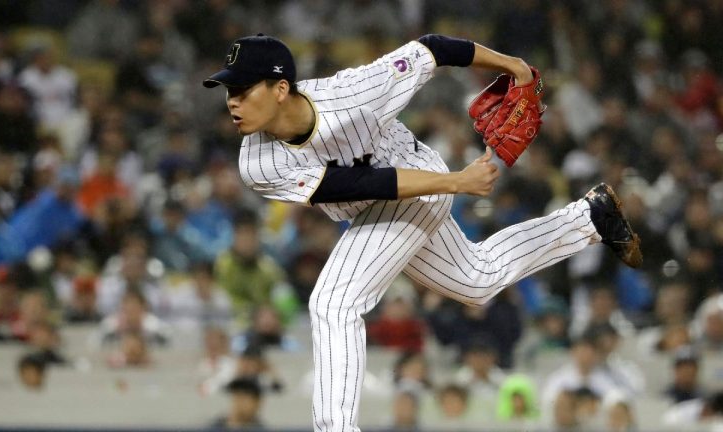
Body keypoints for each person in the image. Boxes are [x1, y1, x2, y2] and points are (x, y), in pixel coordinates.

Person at [202, 33, 642, 431]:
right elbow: (358, 185)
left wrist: (514, 66)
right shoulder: (257, 163)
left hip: (418, 182)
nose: (232, 101)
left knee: (334, 302)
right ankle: (590, 217)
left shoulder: (355, 91)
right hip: (386, 200)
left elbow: (434, 48)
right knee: (477, 278)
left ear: (281, 89)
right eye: (228, 90)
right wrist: (457, 182)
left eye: (242, 89)